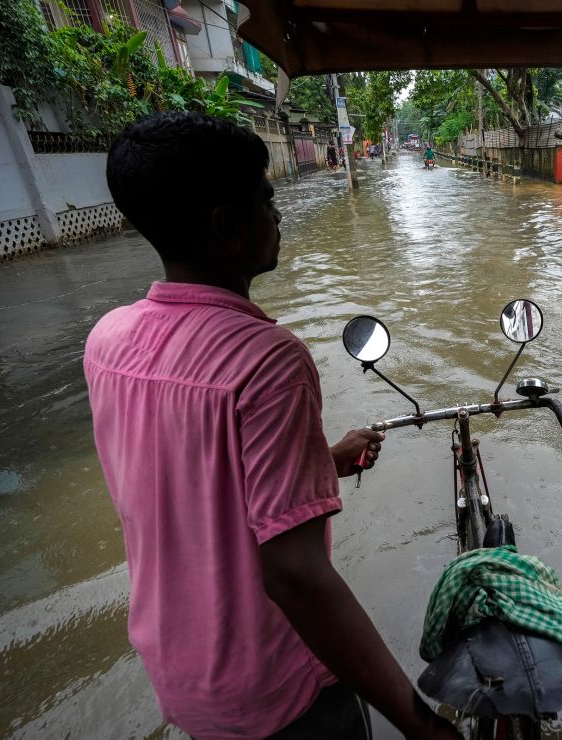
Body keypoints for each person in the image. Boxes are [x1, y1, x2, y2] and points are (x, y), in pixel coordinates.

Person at [86, 112, 461, 740]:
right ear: (225, 226)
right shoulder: (267, 358)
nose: (278, 213)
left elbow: (186, 479)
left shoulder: (107, 341)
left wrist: (324, 458)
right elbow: (296, 575)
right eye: (266, 199)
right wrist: (421, 723)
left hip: (182, 678)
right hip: (280, 694)